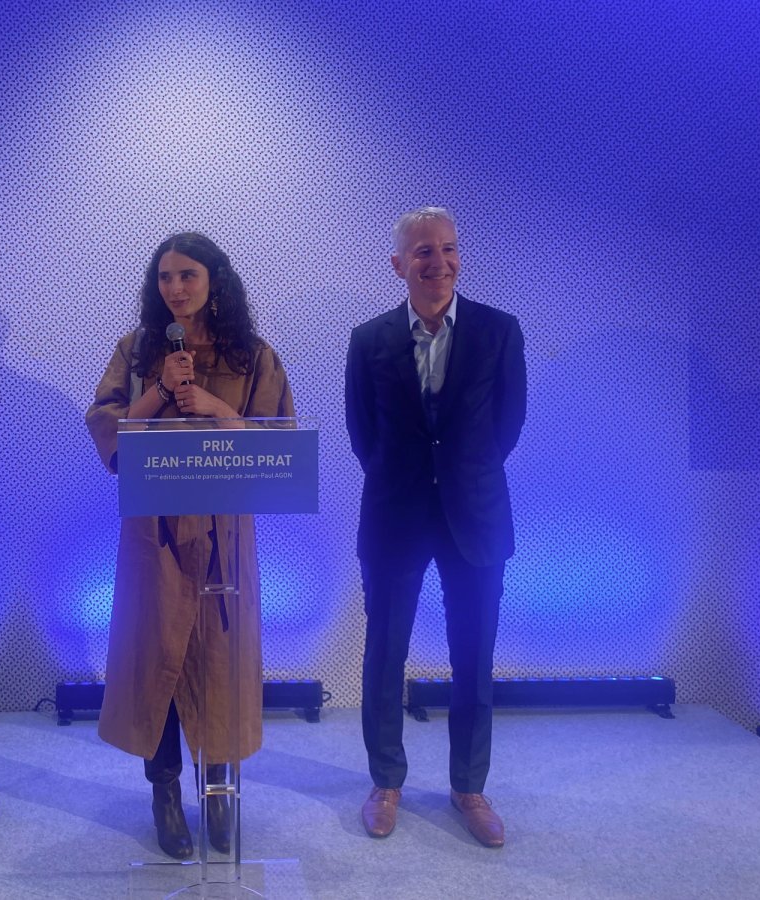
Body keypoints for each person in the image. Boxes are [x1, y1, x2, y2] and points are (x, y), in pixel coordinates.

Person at [86, 233, 294, 859]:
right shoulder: (136, 350)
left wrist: (211, 405)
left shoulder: (251, 355)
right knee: (161, 664)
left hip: (224, 535)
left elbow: (279, 440)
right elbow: (107, 432)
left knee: (220, 662)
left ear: (215, 280)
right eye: (165, 277)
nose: (175, 288)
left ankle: (221, 790)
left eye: (188, 275)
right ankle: (166, 792)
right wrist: (158, 391)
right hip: (155, 536)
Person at [344, 206, 526, 848]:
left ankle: (468, 787)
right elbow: (364, 434)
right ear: (399, 265)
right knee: (384, 654)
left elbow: (505, 428)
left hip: (475, 516)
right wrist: (414, 481)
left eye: (448, 249)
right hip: (394, 515)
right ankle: (385, 781)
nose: (439, 262)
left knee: (473, 656)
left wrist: (456, 477)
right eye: (423, 252)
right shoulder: (367, 342)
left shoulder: (500, 332)